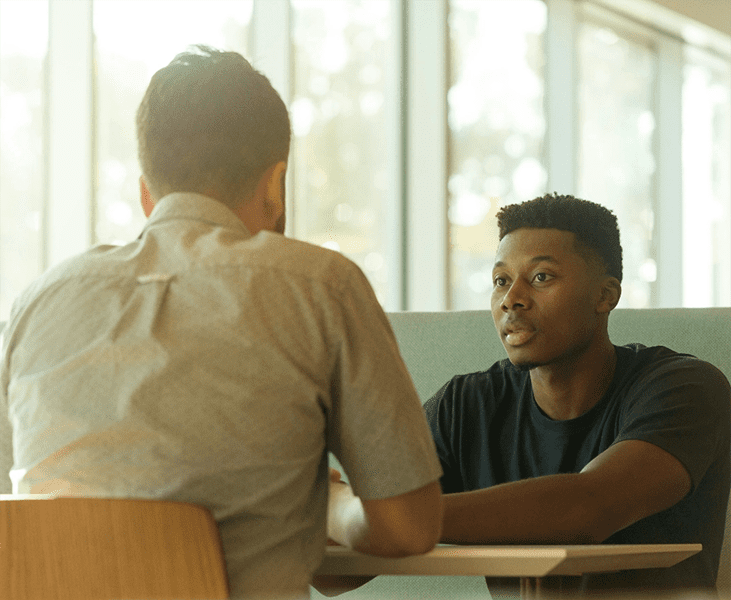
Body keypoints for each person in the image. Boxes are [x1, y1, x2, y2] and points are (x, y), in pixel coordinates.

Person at [0, 46, 442, 600]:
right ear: (276, 186)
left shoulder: (39, 301)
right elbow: (409, 527)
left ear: (146, 193)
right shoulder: (322, 287)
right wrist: (332, 507)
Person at [424, 193, 730, 594]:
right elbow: (336, 575)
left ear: (606, 295)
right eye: (500, 281)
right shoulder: (464, 406)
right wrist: (337, 513)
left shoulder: (686, 388)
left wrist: (389, 518)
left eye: (541, 277)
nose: (511, 299)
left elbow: (586, 509)